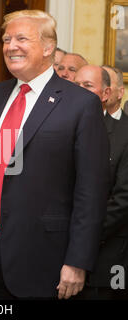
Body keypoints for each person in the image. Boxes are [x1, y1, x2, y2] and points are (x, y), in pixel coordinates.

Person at [0, 9, 110, 300]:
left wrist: (77, 261)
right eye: (7, 39)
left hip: (44, 258)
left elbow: (91, 191)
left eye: (22, 38)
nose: (11, 46)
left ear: (48, 47)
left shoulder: (81, 104)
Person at [75, 65, 128, 300]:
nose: (79, 92)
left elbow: (122, 199)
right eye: (75, 86)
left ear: (106, 94)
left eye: (87, 86)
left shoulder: (122, 134)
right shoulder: (59, 128)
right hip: (52, 252)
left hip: (103, 255)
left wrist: (80, 236)